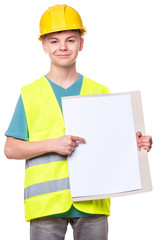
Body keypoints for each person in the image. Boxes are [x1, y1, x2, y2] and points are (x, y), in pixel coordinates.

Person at [4, 4, 152, 240]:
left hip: (93, 201)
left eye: (70, 40)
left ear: (81, 43)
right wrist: (52, 144)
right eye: (54, 41)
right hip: (46, 206)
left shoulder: (100, 91)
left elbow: (111, 145)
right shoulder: (29, 94)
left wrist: (134, 145)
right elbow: (10, 149)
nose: (62, 47)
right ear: (43, 45)